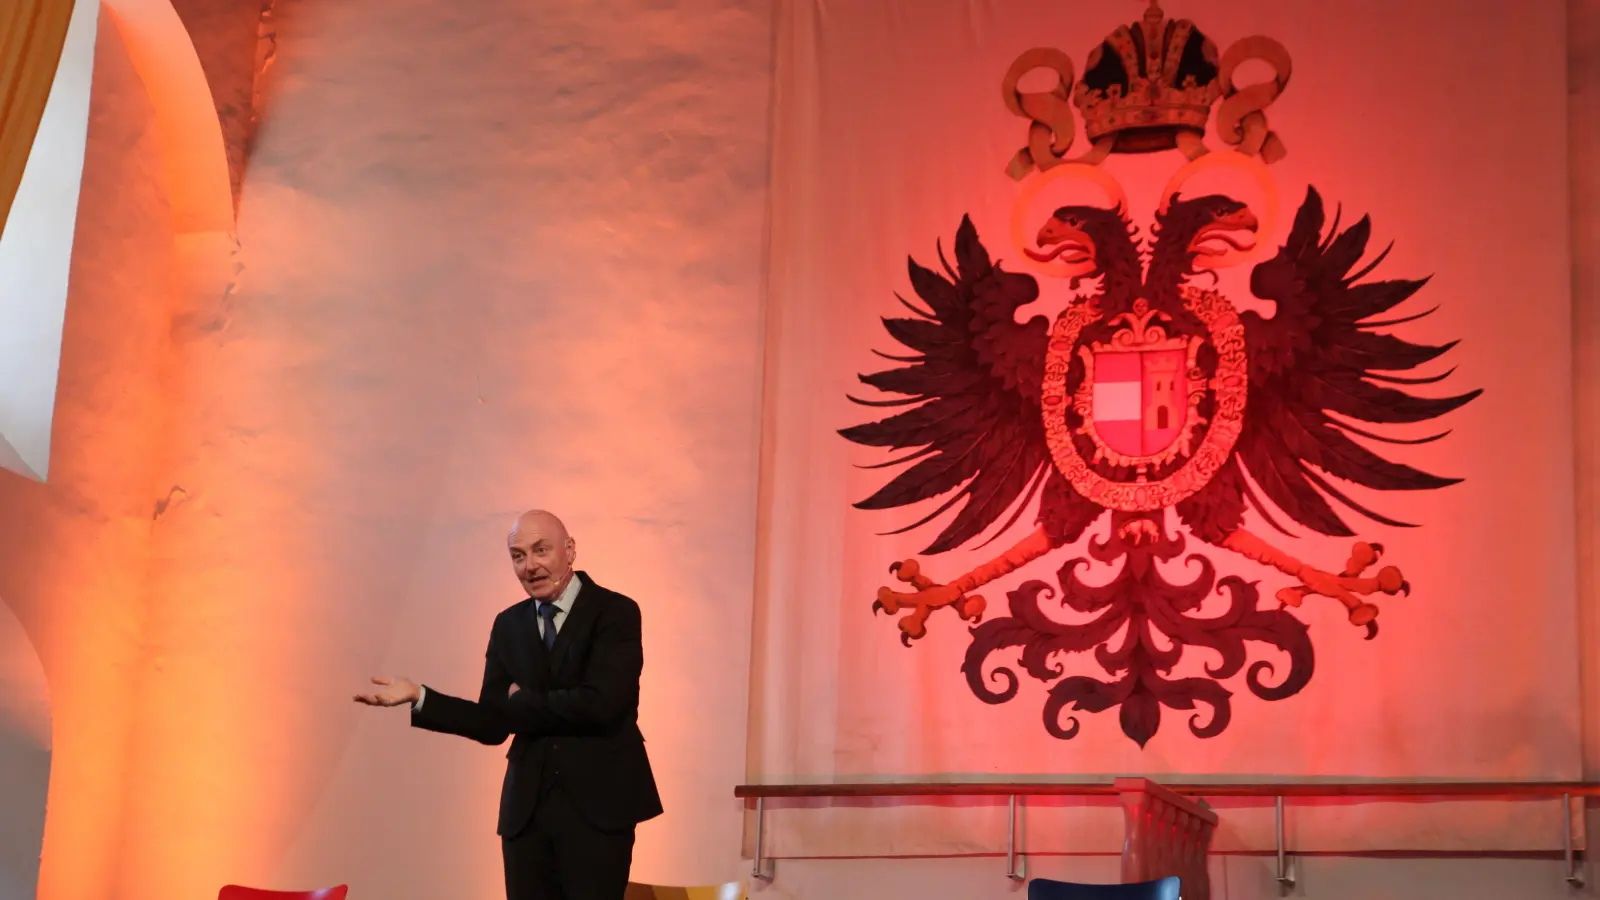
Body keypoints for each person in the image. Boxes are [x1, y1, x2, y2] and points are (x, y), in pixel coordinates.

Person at [354, 509, 662, 900]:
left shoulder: (615, 611)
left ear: (569, 551)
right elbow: (493, 723)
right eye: (518, 556)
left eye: (541, 550)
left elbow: (602, 704)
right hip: (527, 814)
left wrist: (524, 702)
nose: (529, 566)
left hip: (600, 808)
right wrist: (421, 696)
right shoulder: (508, 624)